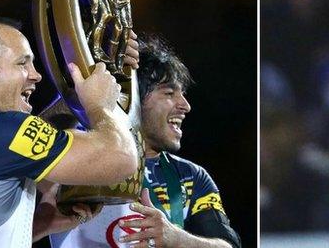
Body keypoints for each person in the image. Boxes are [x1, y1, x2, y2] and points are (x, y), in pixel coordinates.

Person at [0, 16, 140, 247]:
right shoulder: (1, 130)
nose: (36, 75)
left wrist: (42, 223)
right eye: (22, 63)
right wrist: (98, 105)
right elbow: (121, 158)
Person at [49, 36, 241, 248]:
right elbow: (23, 149)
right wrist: (82, 88)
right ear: (134, 98)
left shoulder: (191, 177)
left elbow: (228, 245)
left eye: (183, 94)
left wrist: (176, 238)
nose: (185, 105)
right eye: (169, 92)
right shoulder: (80, 159)